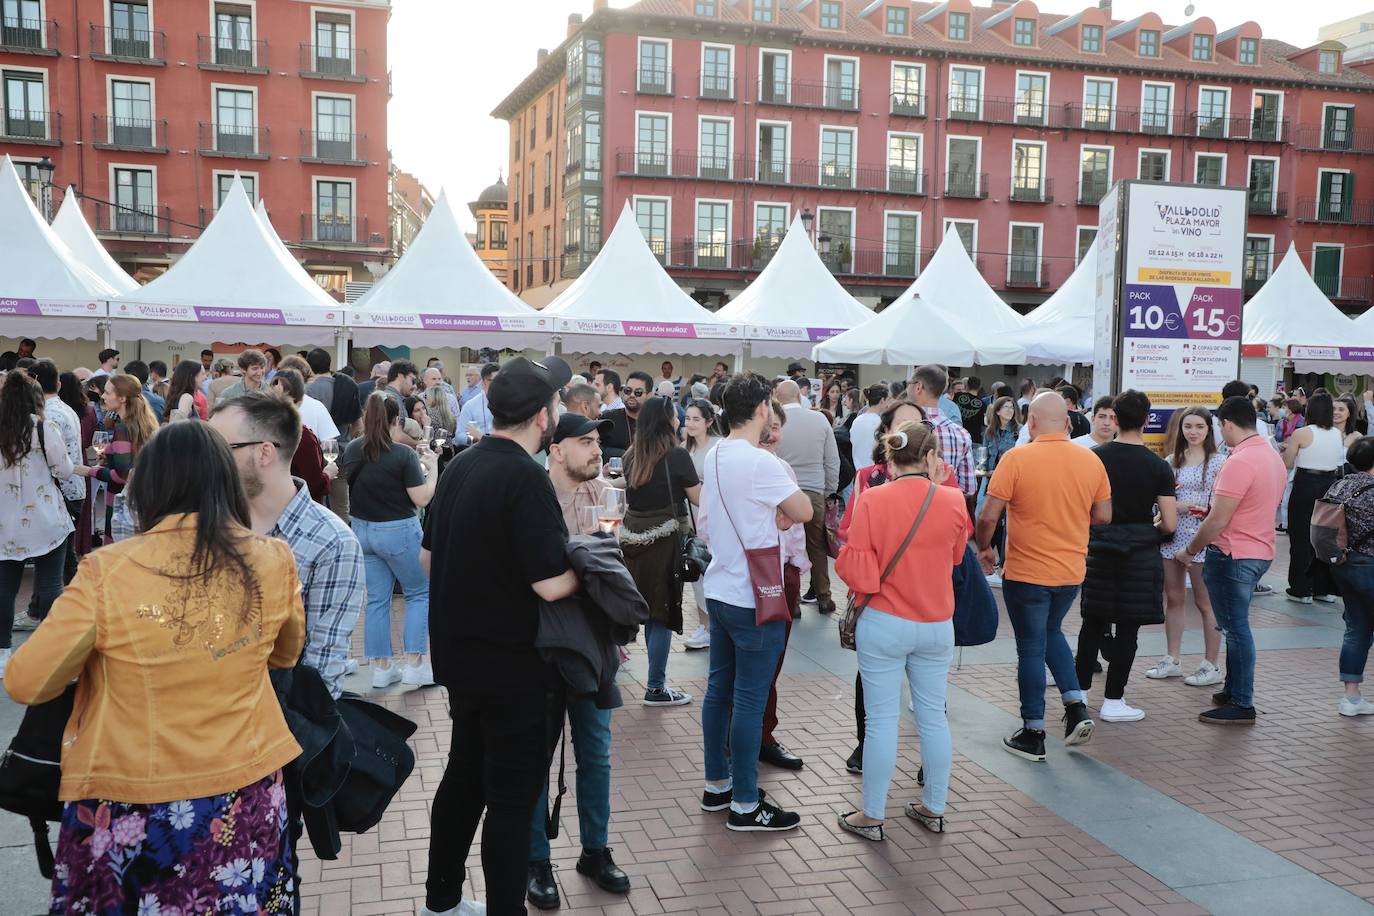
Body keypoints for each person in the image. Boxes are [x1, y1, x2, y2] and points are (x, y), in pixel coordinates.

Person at [4, 420, 305, 914]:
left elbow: (27, 680)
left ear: (149, 486)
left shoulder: (108, 571)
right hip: (246, 792)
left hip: (133, 797)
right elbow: (286, 654)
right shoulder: (272, 559)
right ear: (226, 484)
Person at [420, 356, 579, 916]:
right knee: (512, 802)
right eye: (555, 405)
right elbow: (552, 585)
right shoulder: (524, 478)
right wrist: (592, 563)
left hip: (462, 660)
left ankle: (440, 901)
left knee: (464, 775)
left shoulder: (462, 465)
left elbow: (426, 559)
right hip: (516, 670)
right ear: (542, 416)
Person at [835, 421, 968, 840]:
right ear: (931, 457)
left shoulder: (873, 499)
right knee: (932, 717)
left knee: (880, 721)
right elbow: (957, 556)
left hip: (885, 621)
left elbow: (856, 569)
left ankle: (873, 814)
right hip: (935, 622)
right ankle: (934, 806)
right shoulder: (953, 500)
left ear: (889, 458)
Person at [697, 374, 812, 832]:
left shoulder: (717, 453)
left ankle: (718, 785)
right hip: (752, 595)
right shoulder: (761, 463)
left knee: (719, 691)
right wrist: (780, 512)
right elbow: (803, 509)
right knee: (748, 698)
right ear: (763, 408)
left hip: (721, 588)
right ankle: (745, 803)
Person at [526, 411, 630, 908]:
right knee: (535, 756)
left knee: (597, 753)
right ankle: (536, 860)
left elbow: (609, 564)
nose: (595, 450)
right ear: (557, 449)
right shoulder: (533, 497)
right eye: (585, 441)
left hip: (594, 643)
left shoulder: (605, 494)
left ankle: (595, 850)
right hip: (542, 645)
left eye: (597, 442)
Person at [977, 392, 1110, 761]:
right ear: (1069, 423)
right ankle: (1075, 706)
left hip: (1027, 571)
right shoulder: (1090, 460)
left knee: (1031, 647)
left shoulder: (1017, 458)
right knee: (1051, 632)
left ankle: (1034, 730)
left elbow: (988, 515)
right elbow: (1103, 515)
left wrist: (985, 548)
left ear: (1031, 422)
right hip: (1070, 570)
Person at [210, 390, 363, 700]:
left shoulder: (330, 542)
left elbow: (320, 676)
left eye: (220, 449)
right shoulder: (205, 522)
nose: (208, 460)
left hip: (272, 730)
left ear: (264, 453)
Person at [1177, 396, 1286, 725]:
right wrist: (1211, 513)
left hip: (1233, 553)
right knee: (1233, 625)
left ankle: (1241, 702)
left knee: (1236, 629)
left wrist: (1190, 550)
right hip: (1258, 549)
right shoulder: (1270, 456)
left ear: (1225, 424)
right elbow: (1243, 507)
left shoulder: (1238, 462)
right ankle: (1233, 689)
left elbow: (1217, 522)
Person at [1074, 391, 1177, 722]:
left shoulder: (1093, 457)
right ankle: (1114, 701)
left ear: (1114, 419)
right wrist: (1152, 528)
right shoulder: (1158, 466)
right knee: (1128, 630)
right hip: (1140, 553)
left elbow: (1084, 510)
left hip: (1099, 548)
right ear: (1147, 420)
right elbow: (1170, 522)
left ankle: (1078, 694)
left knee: (1092, 622)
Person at [339, 391, 439, 688]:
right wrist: (432, 470)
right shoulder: (403, 454)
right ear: (396, 420)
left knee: (377, 601)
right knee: (419, 593)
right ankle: (415, 664)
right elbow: (421, 499)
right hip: (398, 531)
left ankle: (382, 668)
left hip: (363, 530)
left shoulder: (354, 449)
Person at [619, 396, 701, 706]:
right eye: (676, 416)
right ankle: (656, 687)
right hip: (665, 541)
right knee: (660, 615)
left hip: (631, 540)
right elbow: (699, 500)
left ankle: (608, 670)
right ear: (667, 422)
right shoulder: (677, 456)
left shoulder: (631, 455)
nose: (679, 419)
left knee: (631, 607)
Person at [0, 371, 74, 668]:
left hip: (5, 523)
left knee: (5, 589)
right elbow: (64, 470)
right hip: (46, 520)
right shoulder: (44, 427)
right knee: (50, 584)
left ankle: (2, 653)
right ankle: (50, 653)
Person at [1148, 407, 1226, 686]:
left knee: (1206, 602)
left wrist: (1202, 508)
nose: (1193, 432)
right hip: (1172, 533)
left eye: (1199, 427)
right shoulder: (1171, 461)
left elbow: (1222, 503)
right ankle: (1172, 658)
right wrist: (1176, 506)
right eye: (1188, 426)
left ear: (1208, 430)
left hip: (1203, 537)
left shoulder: (1219, 462)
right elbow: (1161, 500)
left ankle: (1212, 663)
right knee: (1174, 597)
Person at [751, 399, 809, 772]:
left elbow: (797, 524)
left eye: (777, 427)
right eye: (766, 426)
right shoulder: (739, 466)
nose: (771, 434)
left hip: (782, 573)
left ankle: (763, 735)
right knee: (750, 664)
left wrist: (795, 569)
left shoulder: (783, 467)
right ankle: (749, 737)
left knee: (772, 663)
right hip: (754, 573)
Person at [774, 380, 840, 613]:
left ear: (777, 396)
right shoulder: (820, 419)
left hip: (784, 495)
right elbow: (832, 460)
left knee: (788, 549)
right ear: (798, 396)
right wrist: (829, 490)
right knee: (817, 545)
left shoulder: (775, 423)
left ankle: (792, 604)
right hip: (814, 492)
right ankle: (824, 596)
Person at [71, 374, 159, 542]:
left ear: (123, 398)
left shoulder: (123, 429)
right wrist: (110, 456)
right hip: (141, 500)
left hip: (121, 502)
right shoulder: (143, 423)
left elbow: (121, 476)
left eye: (107, 392)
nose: (103, 396)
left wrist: (89, 471)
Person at [1323, 437, 1374, 716]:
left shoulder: (1340, 485)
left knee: (1357, 629)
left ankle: (1351, 698)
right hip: (1370, 564)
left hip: (1343, 564)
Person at [1282, 391, 1343, 604]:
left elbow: (1288, 463)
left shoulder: (1302, 433)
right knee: (1324, 538)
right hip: (1329, 486)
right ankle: (1323, 589)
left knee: (1300, 537)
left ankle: (1301, 589)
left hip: (1306, 485)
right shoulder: (1337, 433)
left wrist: (1285, 450)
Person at [683, 398, 721, 651]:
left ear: (709, 421)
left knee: (715, 569)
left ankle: (716, 626)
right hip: (690, 517)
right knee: (696, 569)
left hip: (714, 516)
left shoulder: (718, 448)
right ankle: (705, 625)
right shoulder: (686, 450)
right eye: (687, 419)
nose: (690, 424)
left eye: (696, 419)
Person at [908, 365, 977, 498]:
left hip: (907, 507)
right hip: (945, 508)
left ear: (918, 387)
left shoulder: (903, 427)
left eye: (908, 384)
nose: (907, 388)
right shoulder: (961, 434)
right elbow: (969, 488)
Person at [268, 369, 331, 503]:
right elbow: (314, 485)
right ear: (301, 398)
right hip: (298, 508)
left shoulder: (259, 427)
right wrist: (328, 474)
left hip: (268, 505)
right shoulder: (302, 436)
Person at [982, 396, 1019, 578]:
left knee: (1006, 523)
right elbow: (984, 457)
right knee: (992, 521)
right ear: (997, 411)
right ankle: (994, 561)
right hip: (991, 481)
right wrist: (982, 467)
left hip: (1011, 482)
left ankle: (1004, 563)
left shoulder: (1018, 432)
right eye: (1005, 407)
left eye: (1011, 408)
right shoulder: (990, 432)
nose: (1009, 411)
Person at [600, 370, 651, 460]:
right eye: (628, 391)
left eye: (638, 392)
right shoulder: (607, 418)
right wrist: (621, 454)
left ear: (649, 396)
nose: (631, 395)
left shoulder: (655, 422)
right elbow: (597, 448)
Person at [456, 362, 498, 446]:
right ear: (482, 382)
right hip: (479, 452)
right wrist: (473, 438)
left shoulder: (509, 404)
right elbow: (459, 435)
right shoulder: (470, 405)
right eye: (493, 380)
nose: (498, 384)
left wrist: (480, 436)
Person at [849, 385, 887, 469]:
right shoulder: (880, 423)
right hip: (875, 472)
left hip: (858, 470)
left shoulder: (857, 420)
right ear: (882, 400)